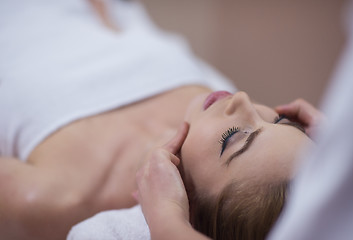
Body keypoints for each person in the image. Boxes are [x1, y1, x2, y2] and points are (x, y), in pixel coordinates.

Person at [0, 1, 318, 239]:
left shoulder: (59, 198)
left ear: (187, 204)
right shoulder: (210, 101)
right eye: (278, 121)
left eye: (233, 137)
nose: (242, 99)